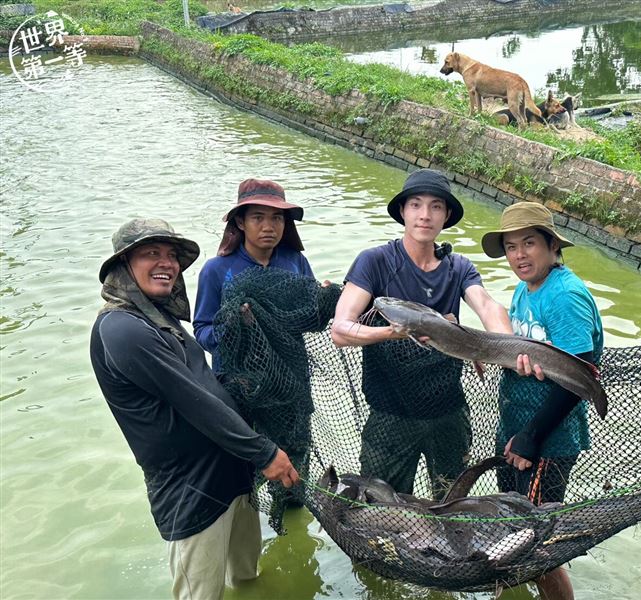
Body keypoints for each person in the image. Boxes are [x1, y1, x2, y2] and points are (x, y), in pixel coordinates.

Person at [89, 219, 299, 600]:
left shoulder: (160, 318)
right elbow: (193, 403)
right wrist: (265, 453)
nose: (166, 263)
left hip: (232, 475)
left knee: (248, 578)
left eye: (171, 256)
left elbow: (205, 382)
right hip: (193, 492)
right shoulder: (122, 329)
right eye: (151, 253)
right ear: (123, 265)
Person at [331, 169, 520, 498]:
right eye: (415, 205)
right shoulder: (374, 262)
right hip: (390, 415)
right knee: (379, 508)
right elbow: (340, 330)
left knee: (452, 503)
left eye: (435, 207)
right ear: (403, 211)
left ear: (446, 215)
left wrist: (509, 349)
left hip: (448, 413)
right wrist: (393, 333)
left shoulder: (459, 267)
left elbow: (489, 307)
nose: (424, 215)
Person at [481, 201, 604, 600]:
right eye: (511, 247)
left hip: (546, 440)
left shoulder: (564, 296)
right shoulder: (524, 289)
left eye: (529, 243)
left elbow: (577, 379)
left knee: (536, 544)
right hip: (519, 430)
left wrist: (532, 436)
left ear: (552, 246)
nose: (519, 255)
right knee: (513, 529)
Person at [194, 178, 314, 372]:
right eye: (258, 218)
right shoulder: (216, 269)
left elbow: (310, 316)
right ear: (241, 222)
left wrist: (323, 301)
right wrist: (233, 328)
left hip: (292, 373)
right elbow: (202, 330)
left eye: (277, 218)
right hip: (238, 380)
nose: (268, 227)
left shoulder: (296, 261)